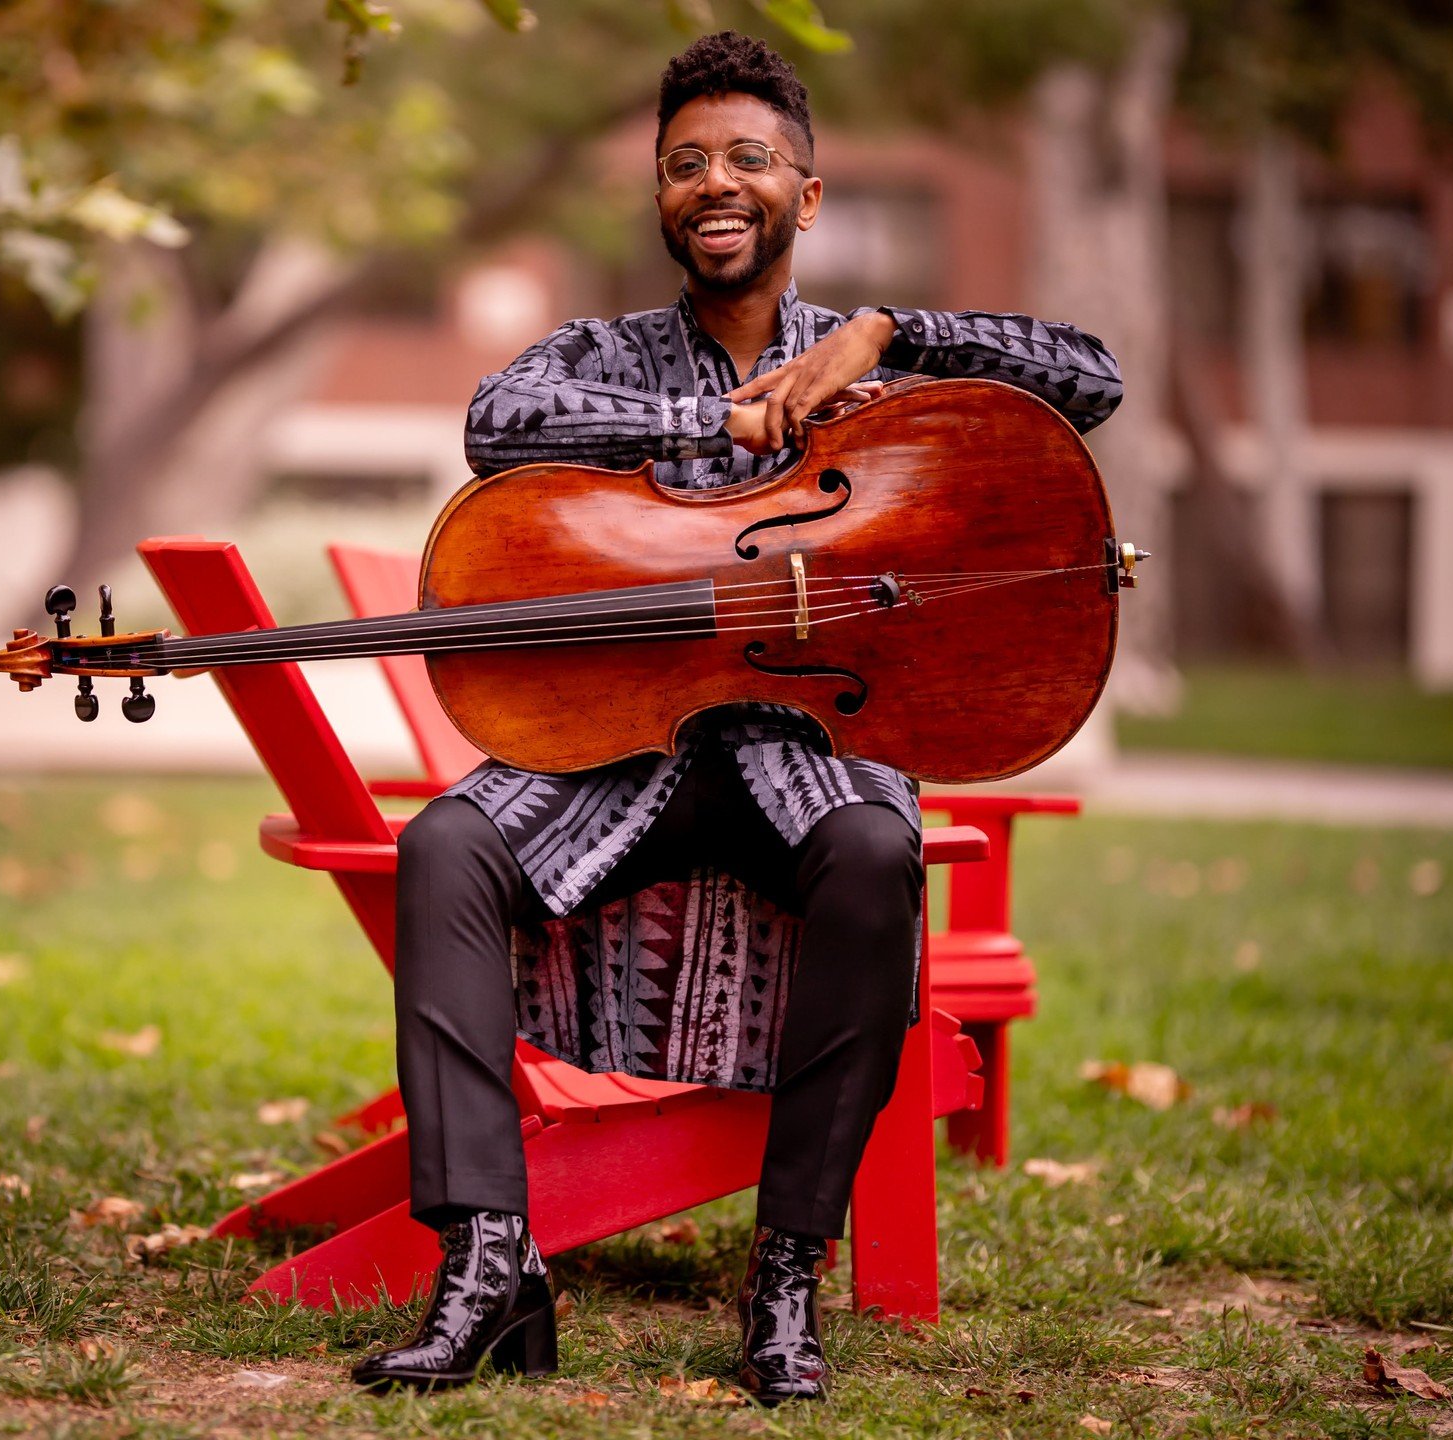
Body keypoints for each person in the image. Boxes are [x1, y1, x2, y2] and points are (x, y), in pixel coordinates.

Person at [349, 30, 1123, 1405]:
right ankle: (488, 1260)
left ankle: (784, 1278)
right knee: (444, 850)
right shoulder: (601, 355)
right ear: (659, 197)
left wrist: (883, 343)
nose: (715, 184)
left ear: (805, 196)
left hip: (802, 744)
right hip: (629, 747)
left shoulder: (880, 363)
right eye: (684, 164)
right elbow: (496, 419)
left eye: (748, 160)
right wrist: (705, 430)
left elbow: (1090, 376)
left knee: (877, 856)